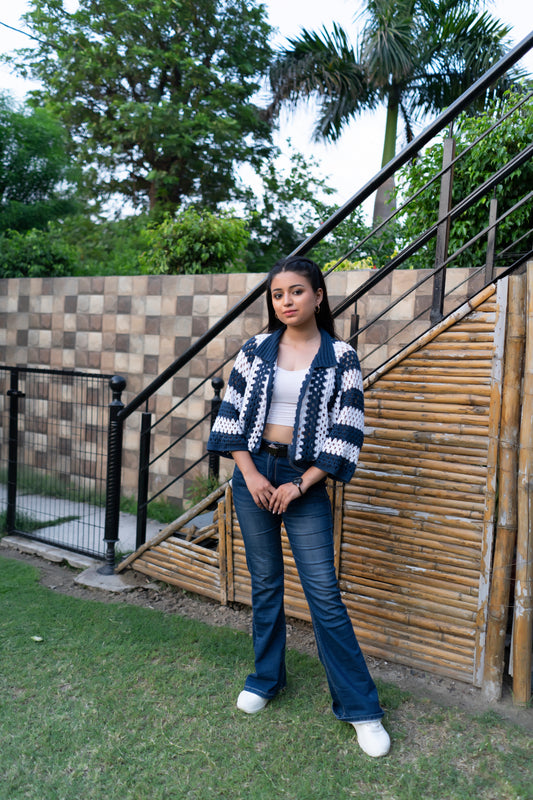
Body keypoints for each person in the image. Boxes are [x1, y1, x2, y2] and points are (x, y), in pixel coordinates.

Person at [207, 256, 390, 758]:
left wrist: (301, 484)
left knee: (324, 595)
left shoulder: (341, 356)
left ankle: (361, 709)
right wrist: (250, 475)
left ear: (318, 296)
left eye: (296, 291)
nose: (286, 301)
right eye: (277, 294)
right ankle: (266, 679)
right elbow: (230, 414)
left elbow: (347, 427)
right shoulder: (255, 349)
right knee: (265, 582)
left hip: (304, 479)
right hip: (254, 473)